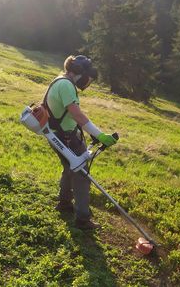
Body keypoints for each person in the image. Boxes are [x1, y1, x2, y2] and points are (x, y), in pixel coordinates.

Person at [43, 55, 117, 230]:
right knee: (82, 174)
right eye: (88, 79)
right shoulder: (67, 85)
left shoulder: (59, 80)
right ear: (80, 74)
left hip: (58, 135)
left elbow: (69, 115)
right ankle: (83, 219)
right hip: (65, 137)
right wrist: (100, 135)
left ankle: (64, 204)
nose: (87, 83)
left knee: (70, 169)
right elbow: (77, 114)